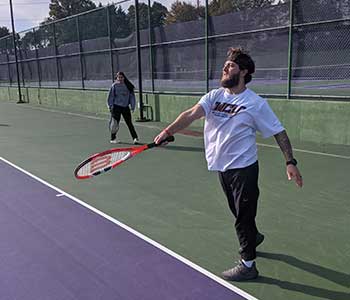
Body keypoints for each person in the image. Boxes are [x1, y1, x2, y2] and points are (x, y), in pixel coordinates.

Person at [154, 47, 303, 281]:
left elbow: (279, 132)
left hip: (244, 168)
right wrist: (167, 131)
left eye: (231, 65)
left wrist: (290, 162)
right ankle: (253, 237)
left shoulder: (255, 103)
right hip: (222, 168)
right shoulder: (215, 96)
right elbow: (191, 114)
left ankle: (248, 265)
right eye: (225, 65)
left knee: (242, 217)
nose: (225, 68)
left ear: (243, 72)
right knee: (238, 211)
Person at [107, 71, 139, 144]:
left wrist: (132, 106)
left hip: (125, 107)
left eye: (121, 77)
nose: (120, 79)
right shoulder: (114, 86)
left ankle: (135, 138)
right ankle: (113, 138)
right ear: (117, 78)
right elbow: (111, 96)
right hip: (116, 107)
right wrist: (110, 106)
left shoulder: (128, 86)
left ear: (124, 78)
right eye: (119, 77)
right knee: (115, 123)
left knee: (129, 123)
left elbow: (132, 97)